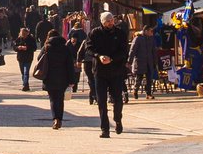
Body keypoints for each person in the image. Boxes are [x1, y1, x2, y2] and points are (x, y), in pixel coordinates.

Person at [80, 9, 130, 137]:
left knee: (118, 99)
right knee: (101, 101)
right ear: (102, 22)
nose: (110, 23)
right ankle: (105, 129)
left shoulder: (120, 33)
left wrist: (112, 58)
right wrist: (99, 56)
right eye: (107, 21)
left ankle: (118, 119)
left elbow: (124, 51)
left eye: (112, 20)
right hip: (100, 72)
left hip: (116, 71)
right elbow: (88, 48)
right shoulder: (95, 33)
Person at [37, 27, 79, 128]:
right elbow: (69, 64)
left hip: (49, 76)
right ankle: (59, 119)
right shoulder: (65, 48)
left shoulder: (46, 47)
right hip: (62, 77)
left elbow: (39, 59)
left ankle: (55, 119)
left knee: (52, 99)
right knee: (60, 99)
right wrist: (72, 80)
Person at [130, 23, 160, 99]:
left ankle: (148, 94)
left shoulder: (151, 39)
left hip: (149, 62)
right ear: (146, 31)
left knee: (149, 79)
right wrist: (129, 61)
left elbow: (154, 51)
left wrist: (155, 61)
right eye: (151, 31)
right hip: (140, 61)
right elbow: (132, 50)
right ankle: (135, 90)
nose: (152, 33)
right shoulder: (138, 38)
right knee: (139, 78)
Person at [11, 24, 38, 93]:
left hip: (28, 58)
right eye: (22, 34)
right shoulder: (19, 39)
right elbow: (14, 47)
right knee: (23, 72)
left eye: (25, 34)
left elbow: (34, 48)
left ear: (27, 33)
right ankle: (25, 84)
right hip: (20, 58)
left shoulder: (31, 39)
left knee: (26, 72)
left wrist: (27, 48)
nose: (23, 35)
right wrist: (18, 48)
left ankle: (25, 85)